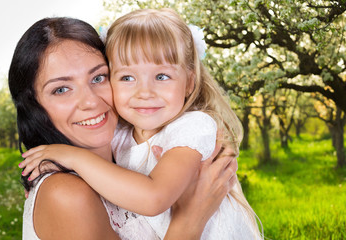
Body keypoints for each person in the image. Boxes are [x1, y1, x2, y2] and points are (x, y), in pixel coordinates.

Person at [21, 8, 263, 240]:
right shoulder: (110, 148)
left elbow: (154, 197)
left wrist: (71, 156)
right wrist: (191, 217)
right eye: (127, 77)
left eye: (161, 76)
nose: (144, 92)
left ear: (189, 83)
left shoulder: (193, 126)